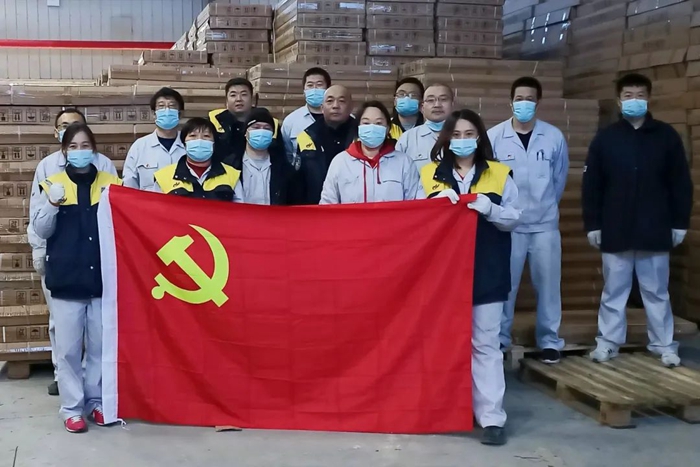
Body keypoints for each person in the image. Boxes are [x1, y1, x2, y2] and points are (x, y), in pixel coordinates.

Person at [419, 109, 521, 446]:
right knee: (440, 341)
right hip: (441, 275)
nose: (463, 140)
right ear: (446, 139)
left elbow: (514, 218)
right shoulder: (429, 175)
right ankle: (441, 409)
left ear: (479, 137)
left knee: (486, 344)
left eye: (469, 134)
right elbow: (413, 222)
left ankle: (491, 418)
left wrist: (491, 209)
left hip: (487, 269)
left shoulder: (499, 174)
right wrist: (434, 205)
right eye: (456, 134)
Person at [582, 73, 692, 367]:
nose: (634, 100)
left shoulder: (666, 137)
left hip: (654, 227)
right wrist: (593, 224)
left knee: (656, 291)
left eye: (640, 95)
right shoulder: (606, 139)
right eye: (628, 96)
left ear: (649, 98)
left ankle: (663, 344)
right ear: (619, 101)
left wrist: (680, 222)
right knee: (614, 290)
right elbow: (592, 185)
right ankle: (608, 342)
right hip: (615, 227)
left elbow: (681, 183)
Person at [31, 123, 121, 433]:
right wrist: (52, 204)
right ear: (64, 151)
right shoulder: (52, 184)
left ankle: (96, 402)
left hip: (101, 279)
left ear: (94, 151)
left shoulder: (111, 183)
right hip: (67, 279)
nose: (80, 151)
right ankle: (71, 408)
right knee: (68, 350)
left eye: (85, 146)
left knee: (99, 348)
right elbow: (41, 230)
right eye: (73, 146)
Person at [488, 77, 569, 364]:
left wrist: (545, 207)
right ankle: (500, 339)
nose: (524, 104)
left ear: (538, 102)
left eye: (530, 99)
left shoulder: (553, 137)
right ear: (510, 102)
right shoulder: (494, 137)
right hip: (507, 226)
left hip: (544, 226)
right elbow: (490, 180)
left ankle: (549, 341)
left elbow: (559, 179)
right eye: (519, 98)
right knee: (504, 287)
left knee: (548, 287)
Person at [320, 101, 422, 204]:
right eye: (366, 123)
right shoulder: (340, 162)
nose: (372, 127)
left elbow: (413, 205)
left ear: (387, 128)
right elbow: (327, 204)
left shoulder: (404, 163)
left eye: (378, 123)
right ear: (358, 127)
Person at [294, 85, 357, 204]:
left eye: (342, 101)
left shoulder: (361, 135)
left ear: (351, 107)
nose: (335, 106)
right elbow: (299, 182)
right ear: (322, 108)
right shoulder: (307, 136)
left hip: (353, 208)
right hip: (316, 208)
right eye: (330, 101)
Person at [153, 117, 241, 201]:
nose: (199, 141)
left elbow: (240, 208)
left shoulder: (231, 175)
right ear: (184, 143)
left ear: (214, 143)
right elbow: (156, 208)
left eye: (206, 136)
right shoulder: (164, 177)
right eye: (193, 136)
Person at [228, 108, 296, 205]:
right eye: (256, 127)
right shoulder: (230, 166)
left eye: (267, 128)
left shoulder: (285, 170)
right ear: (246, 132)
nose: (261, 131)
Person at [123, 87, 187, 190]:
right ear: (154, 114)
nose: (167, 111)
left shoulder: (190, 145)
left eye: (171, 106)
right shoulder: (139, 147)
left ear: (180, 114)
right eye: (161, 106)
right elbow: (129, 186)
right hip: (148, 201)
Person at [208, 77, 284, 164]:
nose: (238, 99)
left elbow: (281, 157)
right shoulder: (214, 121)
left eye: (244, 94)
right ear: (226, 100)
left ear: (252, 99)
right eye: (233, 95)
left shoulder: (269, 124)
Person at [396, 83, 454, 171]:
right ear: (422, 107)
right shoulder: (408, 138)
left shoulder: (463, 135)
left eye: (443, 99)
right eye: (430, 100)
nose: (437, 105)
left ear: (452, 104)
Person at [281, 67, 331, 160]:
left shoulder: (343, 119)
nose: (314, 89)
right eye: (310, 85)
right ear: (304, 91)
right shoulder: (291, 121)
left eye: (319, 85)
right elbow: (287, 154)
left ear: (328, 89)